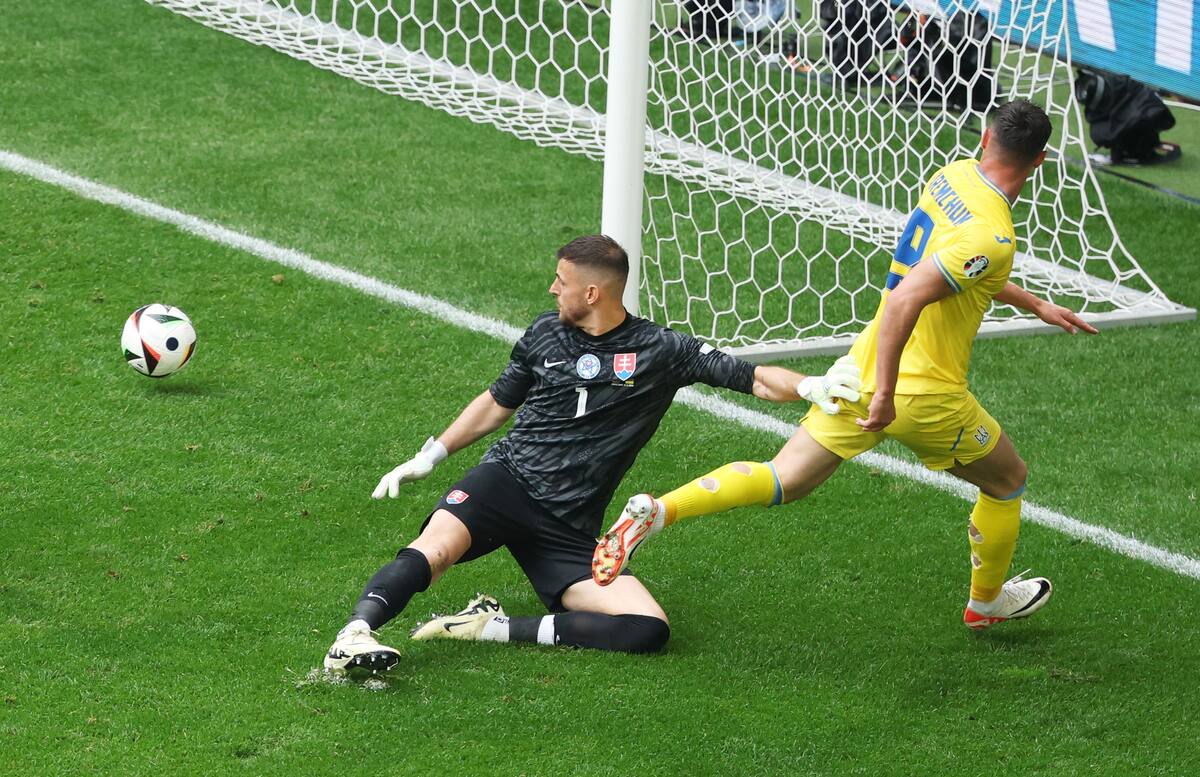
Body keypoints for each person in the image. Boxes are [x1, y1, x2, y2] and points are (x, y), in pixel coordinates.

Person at [592, 99, 1099, 631]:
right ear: (1040, 162)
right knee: (1007, 480)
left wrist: (1034, 302)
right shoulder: (993, 235)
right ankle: (986, 603)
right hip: (922, 392)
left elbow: (955, 269)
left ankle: (659, 510)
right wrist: (886, 395)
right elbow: (911, 298)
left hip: (859, 366)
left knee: (785, 478)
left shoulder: (952, 178)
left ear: (983, 141)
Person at [323, 235, 859, 672]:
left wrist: (810, 385)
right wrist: (431, 454)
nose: (553, 288)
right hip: (505, 483)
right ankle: (354, 635)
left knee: (646, 629)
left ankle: (488, 628)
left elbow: (757, 380)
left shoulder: (661, 351)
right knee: (435, 551)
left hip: (569, 526)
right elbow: (497, 402)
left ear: (595, 293)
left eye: (563, 282)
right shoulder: (543, 333)